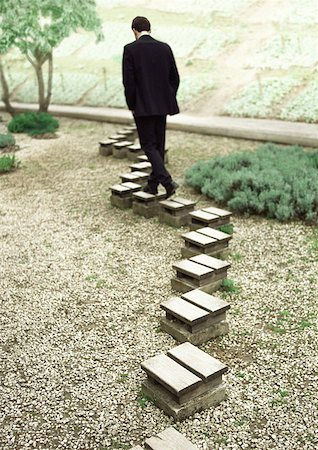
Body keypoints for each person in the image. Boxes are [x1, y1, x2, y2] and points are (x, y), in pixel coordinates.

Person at [122, 16, 180, 198]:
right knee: (159, 145)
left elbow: (128, 82)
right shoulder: (165, 48)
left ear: (134, 30)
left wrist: (132, 104)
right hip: (162, 105)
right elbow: (175, 78)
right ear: (150, 29)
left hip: (142, 106)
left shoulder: (130, 50)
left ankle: (167, 181)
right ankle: (152, 185)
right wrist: (167, 97)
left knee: (148, 144)